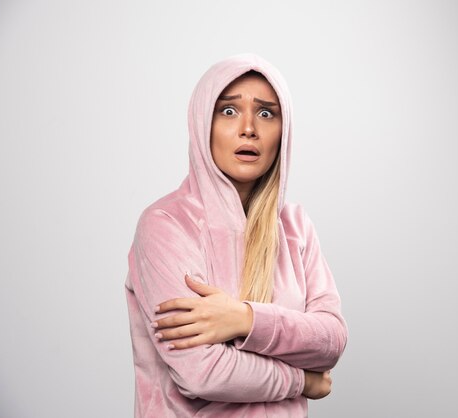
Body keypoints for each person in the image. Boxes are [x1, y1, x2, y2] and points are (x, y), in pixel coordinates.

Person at [124, 52, 348, 417]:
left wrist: (244, 320)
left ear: (283, 129)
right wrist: (302, 381)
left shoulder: (295, 226)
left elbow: (331, 340)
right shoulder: (165, 224)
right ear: (202, 124)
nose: (248, 128)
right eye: (228, 111)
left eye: (266, 113)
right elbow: (200, 372)